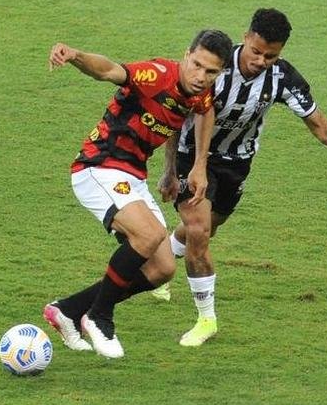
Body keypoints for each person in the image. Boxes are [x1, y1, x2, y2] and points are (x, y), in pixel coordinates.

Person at [158, 8, 327, 347]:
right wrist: (170, 169)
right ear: (246, 37)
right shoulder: (213, 67)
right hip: (194, 157)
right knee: (198, 230)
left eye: (271, 55)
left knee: (208, 229)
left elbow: (319, 125)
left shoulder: (282, 78)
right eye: (257, 51)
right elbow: (174, 116)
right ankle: (206, 319)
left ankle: (157, 261)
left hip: (237, 163)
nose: (262, 60)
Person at [42, 29, 234, 359]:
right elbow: (109, 70)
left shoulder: (200, 92)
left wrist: (180, 169)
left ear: (220, 72)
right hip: (98, 166)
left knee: (162, 268)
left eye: (211, 71)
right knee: (150, 233)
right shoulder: (156, 74)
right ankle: (99, 317)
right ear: (186, 55)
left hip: (132, 174)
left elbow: (201, 112)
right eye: (197, 65)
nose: (201, 77)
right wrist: (75, 56)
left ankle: (69, 310)